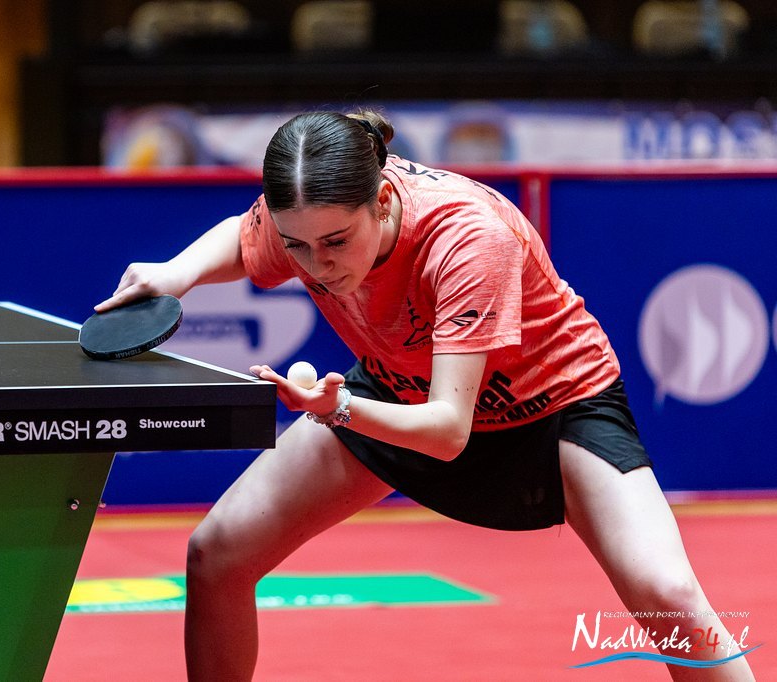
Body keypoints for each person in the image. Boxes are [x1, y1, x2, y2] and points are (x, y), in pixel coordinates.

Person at [95, 111, 754, 681]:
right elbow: (245, 240)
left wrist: (336, 408)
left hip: (553, 407)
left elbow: (445, 432)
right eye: (298, 247)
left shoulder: (467, 241)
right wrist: (175, 274)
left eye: (335, 243)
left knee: (668, 595)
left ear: (383, 201)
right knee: (217, 554)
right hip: (399, 384)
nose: (318, 266)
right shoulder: (314, 204)